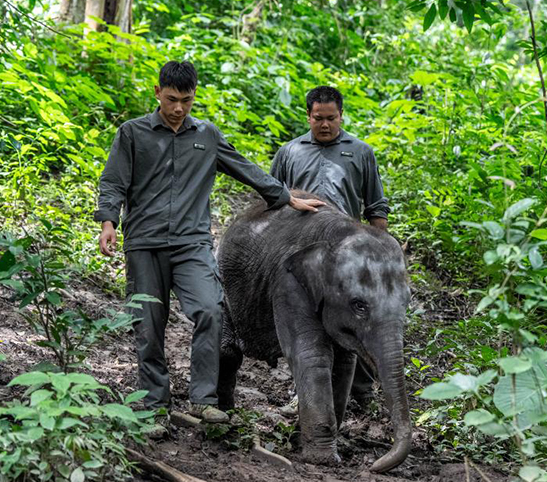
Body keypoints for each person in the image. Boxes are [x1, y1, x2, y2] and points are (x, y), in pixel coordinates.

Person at [95, 61, 324, 431]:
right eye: (171, 99)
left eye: (186, 100)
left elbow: (245, 168)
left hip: (191, 245)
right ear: (157, 93)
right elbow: (113, 182)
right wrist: (108, 221)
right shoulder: (132, 133)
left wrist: (287, 198)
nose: (178, 109)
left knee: (210, 311)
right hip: (144, 244)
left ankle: (203, 400)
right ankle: (153, 405)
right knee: (149, 325)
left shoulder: (207, 136)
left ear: (194, 96)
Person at [270, 85, 390, 414]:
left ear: (341, 116)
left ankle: (362, 395)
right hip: (298, 252)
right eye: (318, 119)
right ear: (308, 116)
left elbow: (376, 207)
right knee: (306, 325)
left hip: (347, 254)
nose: (325, 125)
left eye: (332, 119)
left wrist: (376, 251)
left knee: (355, 320)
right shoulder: (289, 152)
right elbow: (271, 200)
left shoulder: (361, 152)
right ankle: (308, 395)